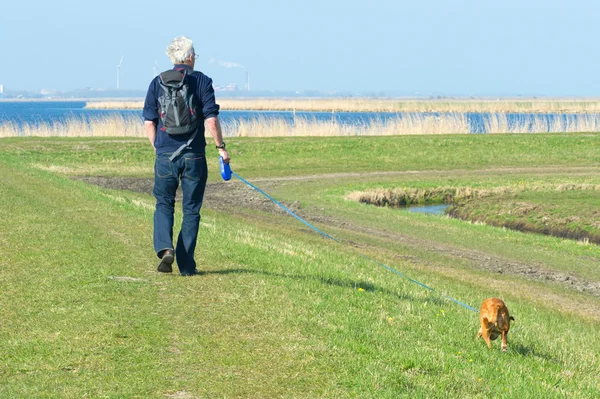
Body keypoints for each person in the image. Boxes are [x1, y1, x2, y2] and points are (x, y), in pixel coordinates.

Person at [143, 36, 230, 276]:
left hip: (164, 156)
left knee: (164, 203)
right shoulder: (202, 81)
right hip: (194, 156)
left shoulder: (156, 82)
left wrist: (158, 147)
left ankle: (165, 248)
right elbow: (211, 119)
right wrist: (221, 148)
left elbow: (149, 122)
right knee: (191, 209)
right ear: (190, 57)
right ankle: (186, 266)